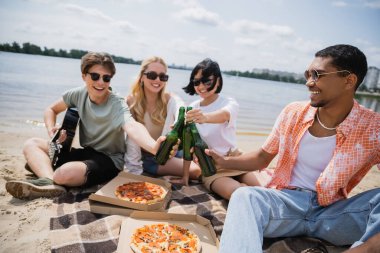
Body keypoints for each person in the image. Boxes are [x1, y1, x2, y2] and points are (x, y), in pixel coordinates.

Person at [207, 45, 380, 252]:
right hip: (285, 206)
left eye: (317, 74)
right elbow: (262, 158)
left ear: (349, 81)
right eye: (308, 74)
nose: (309, 82)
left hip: (332, 215)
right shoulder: (293, 112)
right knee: (245, 196)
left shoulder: (373, 128)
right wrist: (224, 162)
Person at [6, 52, 170, 200]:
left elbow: (133, 126)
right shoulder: (77, 94)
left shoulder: (117, 103)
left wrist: (153, 147)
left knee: (64, 173)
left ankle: (48, 173)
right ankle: (49, 181)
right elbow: (51, 109)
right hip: (85, 152)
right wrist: (51, 129)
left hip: (109, 160)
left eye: (106, 78)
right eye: (95, 76)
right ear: (84, 76)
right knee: (32, 144)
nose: (101, 82)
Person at [177, 58, 262, 198]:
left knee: (263, 191)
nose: (201, 86)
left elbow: (224, 115)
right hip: (211, 168)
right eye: (196, 81)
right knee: (239, 194)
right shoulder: (192, 107)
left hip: (235, 160)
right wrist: (185, 176)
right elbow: (188, 145)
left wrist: (205, 117)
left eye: (206, 81)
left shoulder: (229, 102)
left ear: (218, 80)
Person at [125, 56, 201, 180]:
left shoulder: (170, 99)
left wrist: (181, 120)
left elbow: (181, 108)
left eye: (162, 76)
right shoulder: (131, 101)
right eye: (152, 75)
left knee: (208, 162)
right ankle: (164, 173)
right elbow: (130, 136)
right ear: (142, 77)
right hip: (152, 158)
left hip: (173, 151)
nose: (157, 80)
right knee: (196, 171)